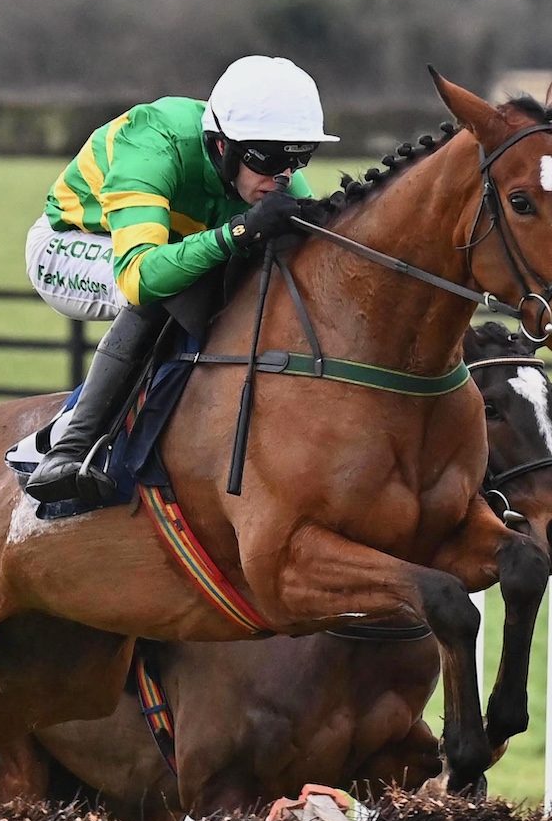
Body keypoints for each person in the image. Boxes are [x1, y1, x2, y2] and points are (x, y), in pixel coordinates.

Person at [22, 55, 336, 504]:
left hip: (167, 245)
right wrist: (236, 232)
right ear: (222, 146)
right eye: (267, 160)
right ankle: (70, 449)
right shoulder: (152, 143)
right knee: (170, 288)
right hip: (75, 245)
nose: (283, 177)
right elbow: (138, 276)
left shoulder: (267, 166)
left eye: (299, 158)